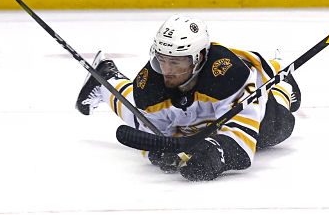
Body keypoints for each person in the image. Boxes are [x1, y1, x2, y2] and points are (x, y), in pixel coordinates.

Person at [75, 14, 301, 181]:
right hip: (193, 105)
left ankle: (281, 83)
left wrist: (216, 154)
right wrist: (161, 150)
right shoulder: (150, 85)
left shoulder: (228, 77)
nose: (166, 70)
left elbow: (243, 146)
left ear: (199, 58)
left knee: (277, 128)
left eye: (176, 62)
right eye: (162, 60)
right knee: (140, 110)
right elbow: (148, 129)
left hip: (247, 96)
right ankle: (106, 79)